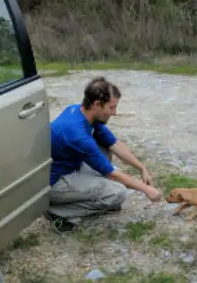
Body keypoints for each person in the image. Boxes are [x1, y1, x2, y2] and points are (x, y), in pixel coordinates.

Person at [45, 76, 163, 233]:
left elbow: (115, 144)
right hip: (55, 184)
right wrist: (146, 189)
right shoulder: (76, 133)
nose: (114, 113)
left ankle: (86, 193)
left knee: (104, 147)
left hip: (71, 167)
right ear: (96, 105)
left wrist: (142, 168)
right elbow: (112, 174)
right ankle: (58, 212)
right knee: (118, 194)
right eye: (111, 107)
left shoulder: (81, 112)